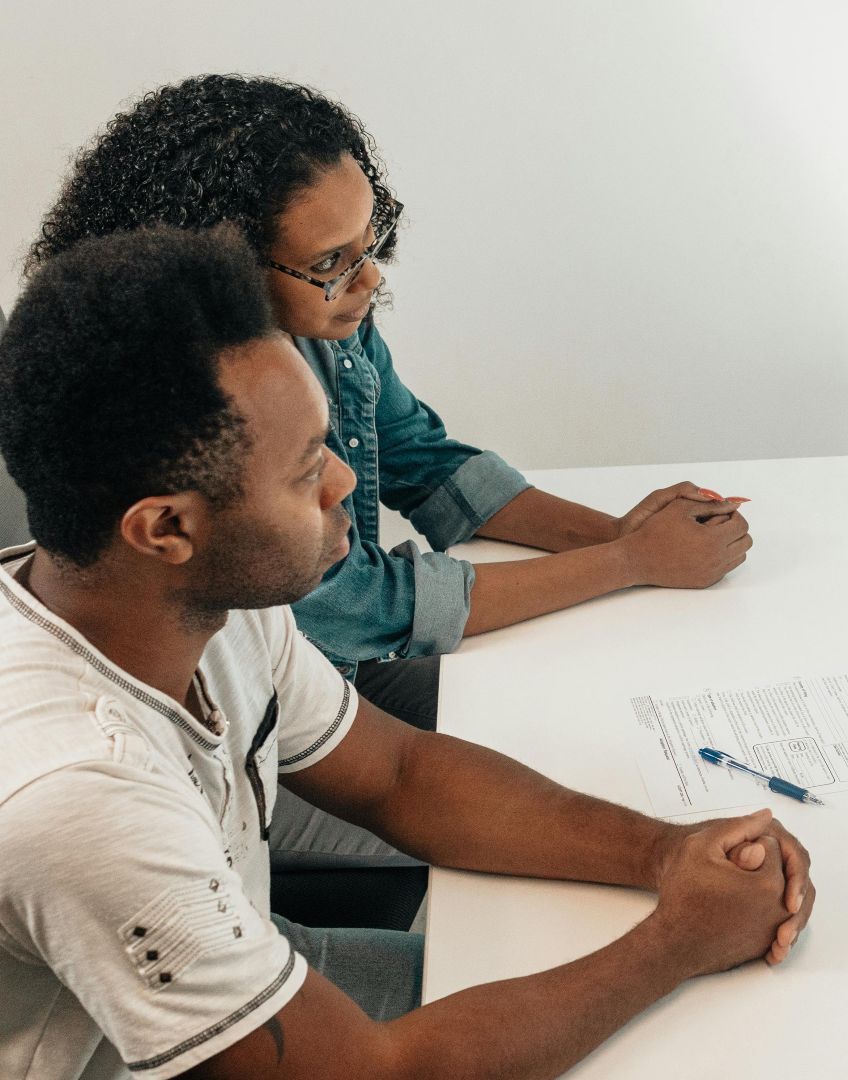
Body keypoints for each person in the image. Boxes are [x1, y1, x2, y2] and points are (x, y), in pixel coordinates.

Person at [0, 226, 816, 1079]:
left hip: (249, 963)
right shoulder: (79, 797)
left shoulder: (207, 599)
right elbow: (375, 1074)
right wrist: (676, 942)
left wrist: (667, 854)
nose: (343, 483)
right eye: (305, 468)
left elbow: (399, 775)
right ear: (166, 528)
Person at [29, 73, 751, 872]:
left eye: (373, 239)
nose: (371, 277)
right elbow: (358, 602)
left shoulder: (328, 328)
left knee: (582, 752)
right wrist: (627, 563)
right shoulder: (175, 414)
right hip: (264, 741)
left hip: (328, 691)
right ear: (222, 263)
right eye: (334, 260)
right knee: (520, 836)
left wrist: (623, 533)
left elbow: (422, 459)